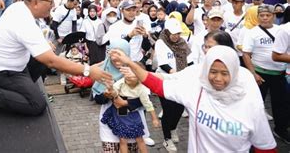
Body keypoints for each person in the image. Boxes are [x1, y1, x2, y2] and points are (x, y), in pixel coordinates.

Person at [0, 0, 112, 116]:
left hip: (18, 66)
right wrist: (88, 71)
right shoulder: (23, 21)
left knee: (43, 56)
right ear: (35, 2)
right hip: (2, 72)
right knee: (37, 104)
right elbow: (52, 61)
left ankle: (21, 91)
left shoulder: (19, 7)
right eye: (50, 1)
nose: (52, 5)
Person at [111, 46, 278, 153]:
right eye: (213, 72)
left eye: (225, 73)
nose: (218, 78)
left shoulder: (250, 103)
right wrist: (130, 63)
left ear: (234, 72)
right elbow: (158, 86)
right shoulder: (196, 90)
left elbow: (265, 147)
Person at [92, 39, 154, 152]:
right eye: (113, 54)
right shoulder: (103, 71)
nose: (115, 58)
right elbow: (97, 98)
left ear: (127, 55)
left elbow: (146, 97)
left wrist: (126, 103)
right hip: (110, 119)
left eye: (119, 54)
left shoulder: (135, 70)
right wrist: (107, 95)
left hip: (132, 120)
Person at [242, 4, 289, 142]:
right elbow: (246, 54)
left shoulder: (281, 30)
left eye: (268, 15)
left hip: (280, 73)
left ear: (273, 16)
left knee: (281, 105)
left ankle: (280, 130)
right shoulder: (252, 32)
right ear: (258, 17)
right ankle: (251, 132)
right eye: (261, 15)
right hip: (260, 74)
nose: (265, 18)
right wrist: (253, 74)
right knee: (256, 105)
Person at [101, 67, 160, 153]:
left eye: (131, 77)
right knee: (122, 139)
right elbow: (114, 91)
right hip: (119, 113)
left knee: (139, 138)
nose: (128, 78)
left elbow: (148, 104)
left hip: (133, 114)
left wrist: (154, 118)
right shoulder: (121, 82)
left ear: (139, 77)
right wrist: (109, 90)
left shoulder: (142, 89)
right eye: (126, 77)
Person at [154, 18, 191, 152]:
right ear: (167, 31)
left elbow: (189, 59)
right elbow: (163, 64)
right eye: (174, 33)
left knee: (180, 108)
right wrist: (176, 73)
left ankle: (173, 128)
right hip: (165, 80)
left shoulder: (182, 42)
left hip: (181, 80)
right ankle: (167, 139)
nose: (176, 36)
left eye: (178, 33)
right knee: (168, 110)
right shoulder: (161, 42)